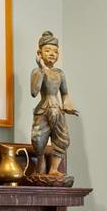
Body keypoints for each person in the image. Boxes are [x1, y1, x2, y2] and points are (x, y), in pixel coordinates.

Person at [29, 31, 77, 183]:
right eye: (48, 50)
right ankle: (40, 168)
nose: (52, 54)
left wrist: (67, 105)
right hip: (43, 109)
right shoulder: (37, 72)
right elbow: (34, 91)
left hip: (58, 110)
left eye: (55, 51)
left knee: (62, 139)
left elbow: (65, 94)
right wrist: (42, 69)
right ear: (39, 53)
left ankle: (54, 169)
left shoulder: (60, 73)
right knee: (38, 139)